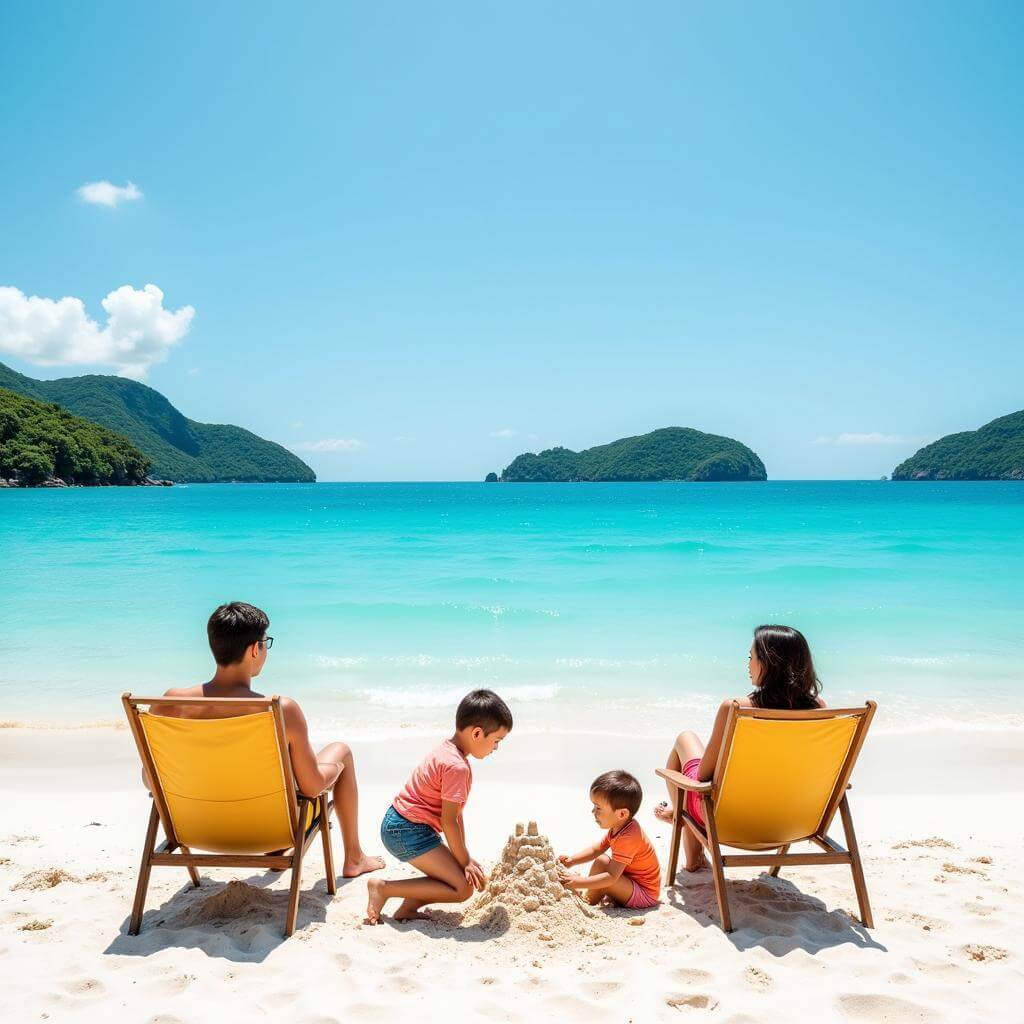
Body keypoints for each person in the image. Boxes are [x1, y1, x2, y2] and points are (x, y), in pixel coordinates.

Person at [151, 601, 383, 878]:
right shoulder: (280, 710)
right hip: (270, 831)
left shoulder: (170, 703)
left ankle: (280, 855)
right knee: (340, 752)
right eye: (265, 643)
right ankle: (354, 858)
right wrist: (335, 767)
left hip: (193, 829)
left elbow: (150, 779)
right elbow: (311, 788)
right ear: (254, 649)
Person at [654, 623, 825, 871]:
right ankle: (680, 815)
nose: (748, 664)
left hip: (728, 821)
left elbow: (702, 775)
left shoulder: (735, 707)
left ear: (767, 663)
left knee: (685, 739)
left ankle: (686, 831)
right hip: (790, 820)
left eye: (751, 657)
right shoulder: (818, 707)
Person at [365, 689, 513, 924]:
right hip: (406, 831)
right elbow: (449, 821)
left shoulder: (448, 750)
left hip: (403, 824)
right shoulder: (457, 767)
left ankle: (407, 909)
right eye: (496, 741)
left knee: (457, 877)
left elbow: (455, 815)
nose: (496, 748)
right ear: (477, 733)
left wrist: (464, 855)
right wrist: (463, 860)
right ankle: (383, 888)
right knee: (462, 889)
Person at [557, 770, 661, 909]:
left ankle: (589, 901)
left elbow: (611, 877)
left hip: (644, 895)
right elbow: (597, 849)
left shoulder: (628, 837)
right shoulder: (619, 826)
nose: (593, 811)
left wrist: (579, 882)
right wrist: (572, 860)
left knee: (607, 879)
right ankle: (591, 896)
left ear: (622, 813)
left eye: (598, 808)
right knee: (602, 860)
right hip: (629, 883)